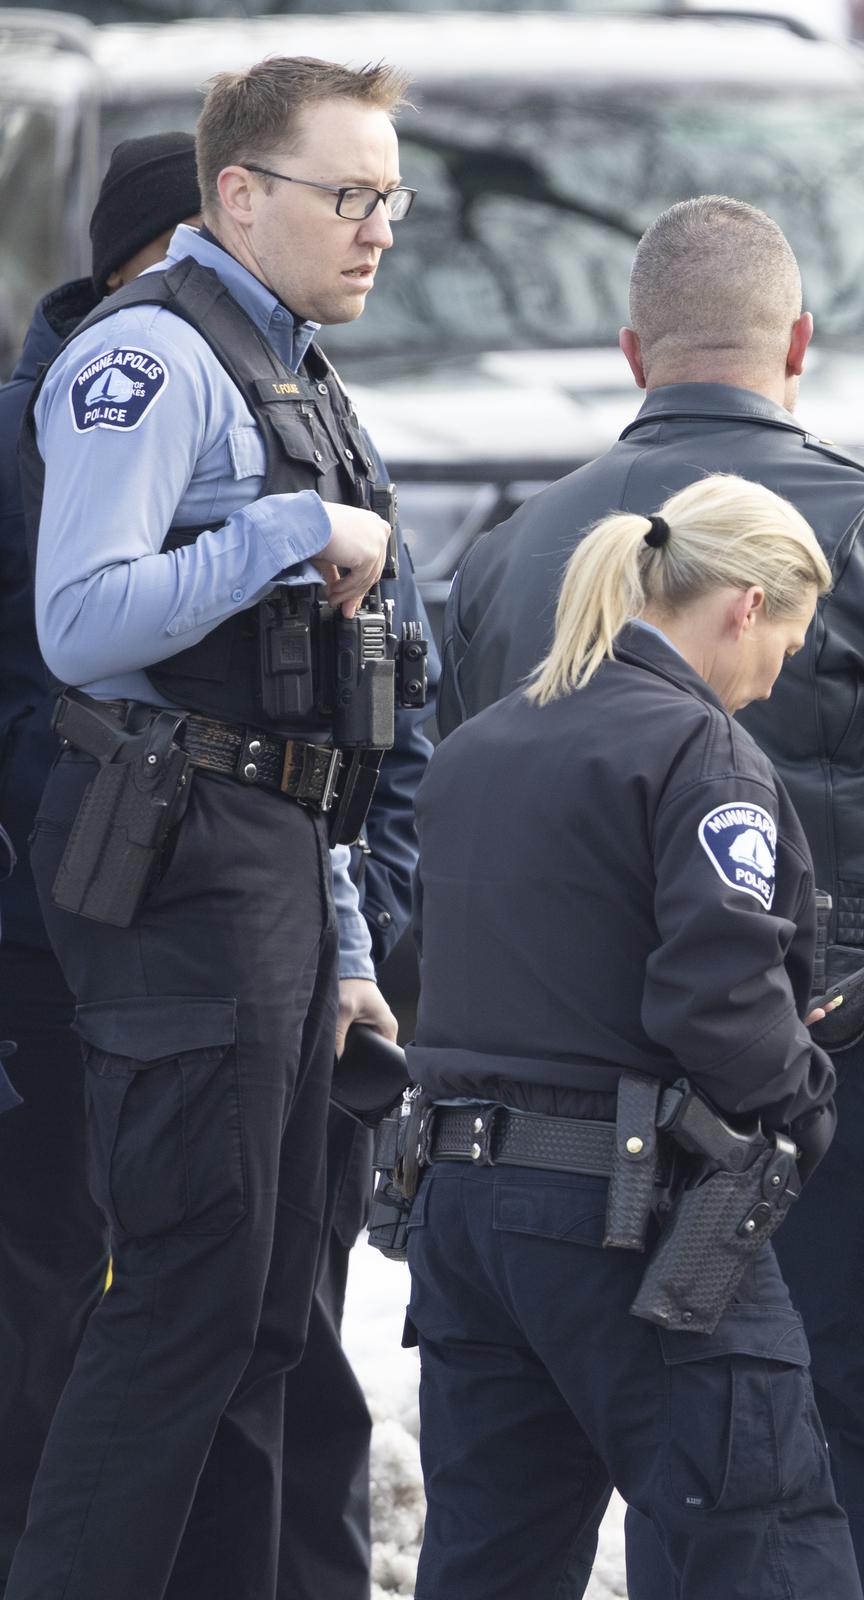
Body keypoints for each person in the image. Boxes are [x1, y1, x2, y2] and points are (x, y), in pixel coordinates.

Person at [439, 195, 864, 1600]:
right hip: (826, 1072)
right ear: (799, 339)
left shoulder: (510, 547)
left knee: (547, 1506)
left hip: (547, 1121)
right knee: (845, 1470)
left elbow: (465, 815)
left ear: (629, 352)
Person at [11, 58, 414, 1600]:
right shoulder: (155, 360)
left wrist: (350, 931)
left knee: (260, 1318)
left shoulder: (282, 352)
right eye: (349, 196)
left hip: (273, 870)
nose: (378, 228)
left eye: (392, 198)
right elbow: (82, 619)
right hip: (181, 870)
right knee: (185, 1298)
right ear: (237, 195)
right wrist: (289, 531)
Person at [404, 473, 856, 1600]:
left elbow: (439, 967)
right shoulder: (698, 755)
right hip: (627, 1223)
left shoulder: (478, 747)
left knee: (491, 1559)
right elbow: (719, 1006)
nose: (772, 679)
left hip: (462, 1216)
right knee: (765, 1546)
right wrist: (808, 1105)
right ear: (746, 604)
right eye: (786, 644)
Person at [0, 130, 201, 1590]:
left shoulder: (256, 400)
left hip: (190, 921)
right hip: (39, 929)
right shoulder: (44, 418)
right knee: (45, 1268)